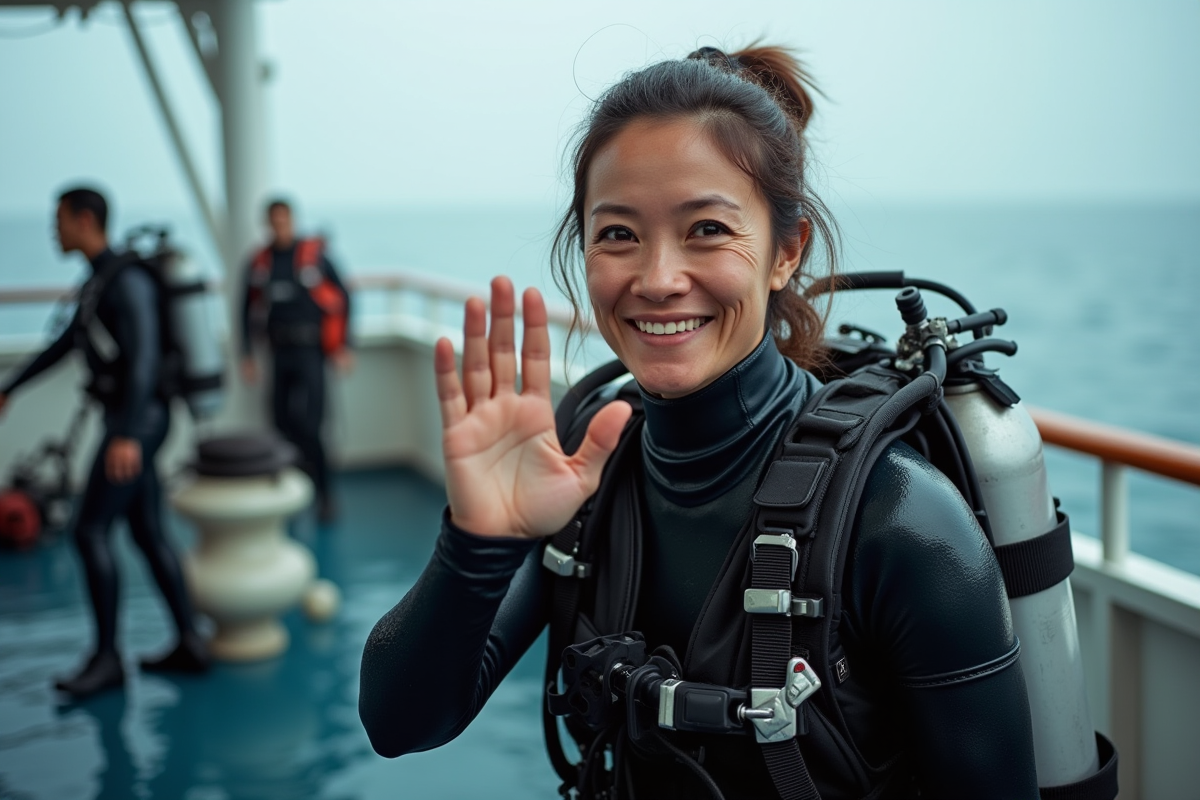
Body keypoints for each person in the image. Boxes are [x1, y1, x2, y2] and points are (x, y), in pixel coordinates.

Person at [358, 47, 1039, 798]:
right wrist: (478, 544)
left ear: (786, 251)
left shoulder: (901, 521)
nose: (656, 279)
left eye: (707, 229)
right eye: (618, 234)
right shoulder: (586, 473)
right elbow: (399, 725)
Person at [0, 187, 209, 699]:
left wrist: (129, 435)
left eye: (60, 220)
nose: (54, 231)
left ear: (85, 220)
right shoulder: (100, 281)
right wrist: (10, 389)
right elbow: (65, 345)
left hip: (138, 423)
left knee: (89, 531)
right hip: (133, 420)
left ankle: (107, 659)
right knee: (146, 531)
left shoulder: (128, 281)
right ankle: (189, 642)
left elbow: (142, 357)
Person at [239, 199, 353, 523]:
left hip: (311, 352)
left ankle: (325, 496)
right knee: (280, 424)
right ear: (267, 224)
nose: (279, 226)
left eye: (284, 220)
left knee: (313, 426)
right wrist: (247, 354)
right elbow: (244, 309)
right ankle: (287, 493)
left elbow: (344, 298)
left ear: (292, 221)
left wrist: (345, 346)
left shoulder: (315, 259)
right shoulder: (260, 263)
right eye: (273, 221)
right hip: (279, 353)